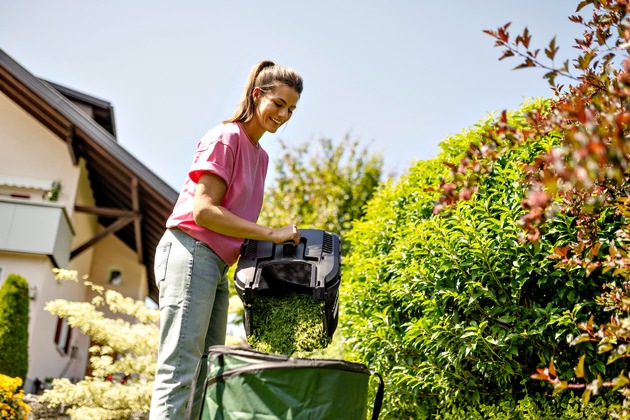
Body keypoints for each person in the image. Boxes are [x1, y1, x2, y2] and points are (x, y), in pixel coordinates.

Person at [149, 60, 303, 419]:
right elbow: (204, 211)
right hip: (190, 252)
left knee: (207, 373)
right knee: (180, 367)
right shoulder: (226, 137)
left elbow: (238, 224)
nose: (283, 114)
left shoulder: (260, 157)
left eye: (291, 109)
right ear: (256, 95)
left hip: (216, 266)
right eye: (278, 103)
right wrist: (270, 232)